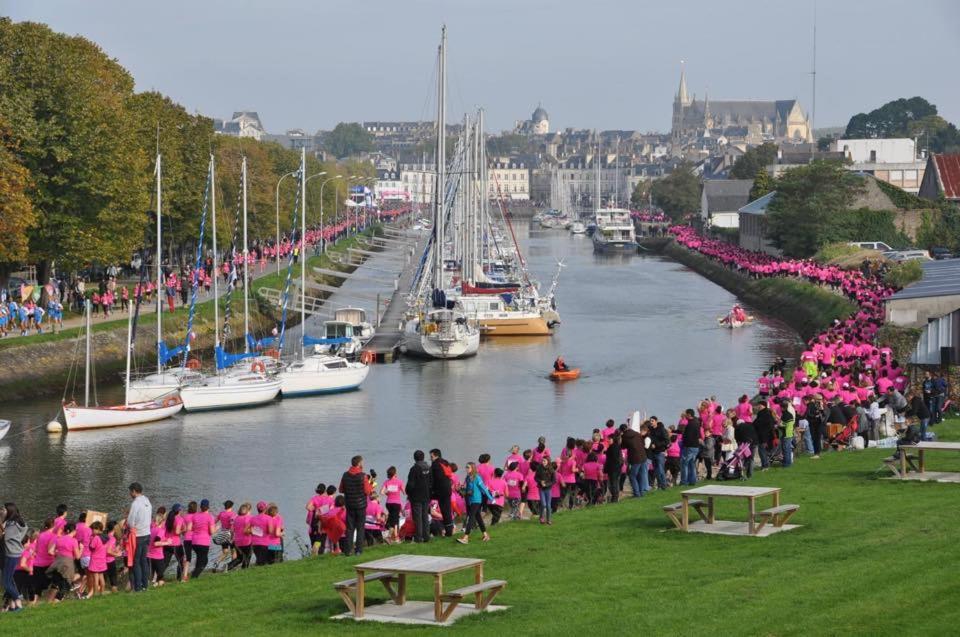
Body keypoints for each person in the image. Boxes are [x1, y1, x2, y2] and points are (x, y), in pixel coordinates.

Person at [339, 455, 372, 556]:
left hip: (350, 504)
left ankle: (348, 550)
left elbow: (341, 490)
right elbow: (367, 491)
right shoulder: (363, 476)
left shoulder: (345, 475)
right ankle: (358, 550)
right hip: (361, 505)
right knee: (360, 527)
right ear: (359, 464)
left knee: (349, 528)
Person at [457, 462, 493, 544]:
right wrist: (461, 489)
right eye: (466, 467)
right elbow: (467, 487)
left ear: (472, 468)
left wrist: (491, 498)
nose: (466, 468)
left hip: (476, 500)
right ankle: (486, 535)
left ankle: (465, 538)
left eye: (468, 467)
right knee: (478, 518)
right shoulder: (468, 477)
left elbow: (484, 489)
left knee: (471, 517)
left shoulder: (477, 478)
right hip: (470, 500)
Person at [125, 482, 152, 593]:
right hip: (147, 533)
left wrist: (130, 526)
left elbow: (130, 521)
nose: (130, 494)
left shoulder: (135, 503)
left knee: (136, 562)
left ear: (134, 491)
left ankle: (138, 588)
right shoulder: (147, 501)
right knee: (143, 561)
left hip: (138, 535)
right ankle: (145, 585)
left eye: (130, 492)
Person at [2, 503, 27, 611]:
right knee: (10, 579)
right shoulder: (20, 523)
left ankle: (18, 600)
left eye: (4, 509)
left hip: (10, 554)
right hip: (15, 553)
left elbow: (5, 537)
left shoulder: (11, 524)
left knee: (5, 582)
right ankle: (13, 606)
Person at [406, 450, 432, 544]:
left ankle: (418, 538)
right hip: (426, 495)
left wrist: (408, 492)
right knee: (425, 516)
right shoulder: (428, 468)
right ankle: (426, 537)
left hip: (416, 497)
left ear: (414, 458)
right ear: (423, 457)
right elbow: (431, 482)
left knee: (417, 518)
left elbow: (410, 484)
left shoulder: (414, 469)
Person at [429, 449, 454, 537]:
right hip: (448, 488)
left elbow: (433, 479)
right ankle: (450, 530)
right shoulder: (445, 462)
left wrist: (431, 490)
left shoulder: (435, 464)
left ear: (436, 456)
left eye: (431, 456)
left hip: (440, 490)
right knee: (447, 510)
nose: (430, 458)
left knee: (444, 510)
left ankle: (446, 531)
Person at [190, 500, 215, 578]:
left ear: (200, 507)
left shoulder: (195, 516)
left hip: (194, 542)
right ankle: (194, 576)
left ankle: (194, 574)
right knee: (204, 561)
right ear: (208, 507)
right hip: (203, 542)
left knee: (199, 559)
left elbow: (191, 528)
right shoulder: (210, 517)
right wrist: (217, 527)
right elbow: (211, 532)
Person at [380, 467, 404, 544]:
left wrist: (388, 494)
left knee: (393, 519)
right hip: (396, 503)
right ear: (395, 473)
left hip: (389, 503)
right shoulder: (399, 482)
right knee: (395, 519)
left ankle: (393, 536)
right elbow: (404, 492)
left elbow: (382, 492)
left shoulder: (386, 482)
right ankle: (395, 537)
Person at [680, 410, 702, 485]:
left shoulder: (690, 424)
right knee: (692, 464)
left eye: (686, 414)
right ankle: (692, 480)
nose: (685, 415)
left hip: (689, 446)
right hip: (695, 446)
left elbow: (688, 436)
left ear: (689, 415)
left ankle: (684, 481)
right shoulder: (696, 422)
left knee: (685, 464)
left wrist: (684, 443)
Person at [648, 418, 669, 489]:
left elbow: (666, 441)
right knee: (656, 470)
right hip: (652, 452)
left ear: (656, 421)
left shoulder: (661, 430)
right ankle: (660, 485)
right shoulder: (650, 430)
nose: (651, 422)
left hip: (660, 452)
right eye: (650, 421)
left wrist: (656, 445)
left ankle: (664, 485)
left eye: (652, 421)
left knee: (660, 469)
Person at [534, 456, 556, 525]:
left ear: (548, 461)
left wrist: (547, 484)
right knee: (543, 504)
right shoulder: (539, 468)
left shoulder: (551, 469)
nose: (543, 462)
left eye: (544, 461)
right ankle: (541, 518)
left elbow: (554, 481)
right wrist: (540, 481)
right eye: (542, 461)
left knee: (548, 505)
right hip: (541, 489)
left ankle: (549, 520)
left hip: (548, 489)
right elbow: (535, 478)